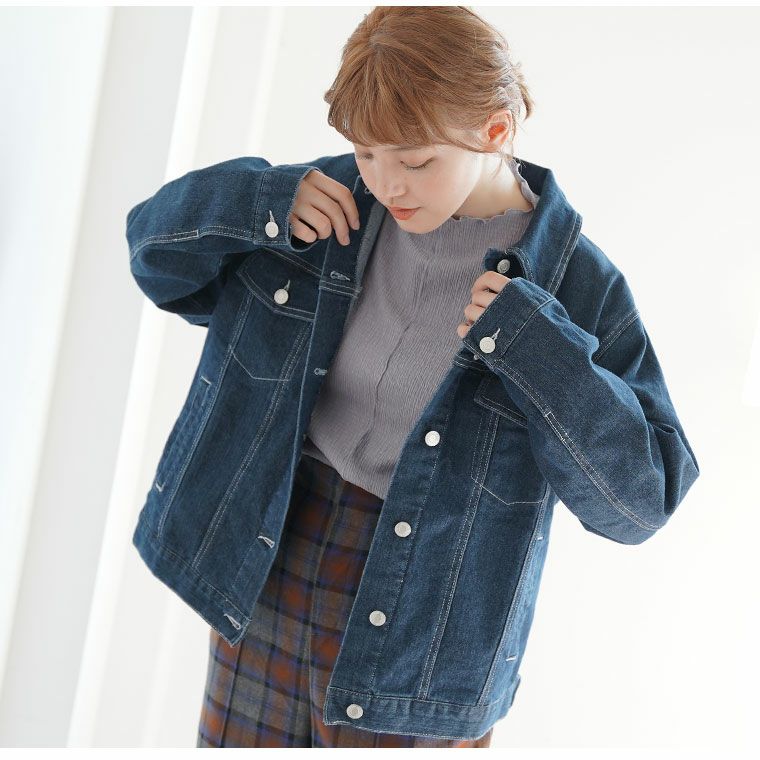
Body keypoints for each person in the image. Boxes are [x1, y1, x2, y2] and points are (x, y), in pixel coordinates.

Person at [126, 5, 699, 749]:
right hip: (273, 564)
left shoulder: (575, 286)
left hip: (429, 632)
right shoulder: (328, 208)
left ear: (495, 130)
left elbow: (640, 504)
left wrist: (540, 350)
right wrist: (255, 203)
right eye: (366, 152)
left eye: (417, 160)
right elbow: (158, 264)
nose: (387, 183)